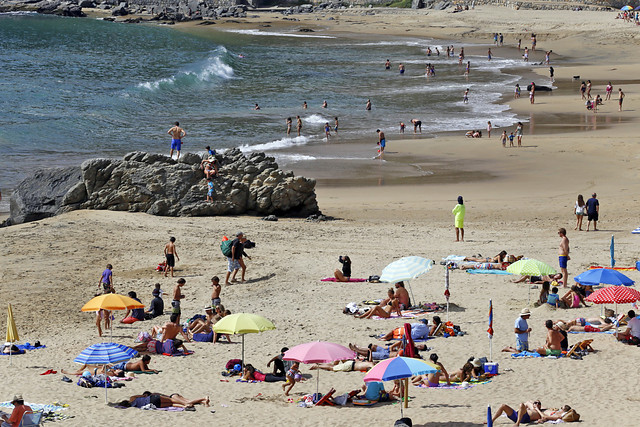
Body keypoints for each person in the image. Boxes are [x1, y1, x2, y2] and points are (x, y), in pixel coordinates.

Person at [118, 392, 209, 409]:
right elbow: (143, 395)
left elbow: (171, 406)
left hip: (154, 405)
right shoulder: (132, 398)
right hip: (152, 398)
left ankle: (202, 401)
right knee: (174, 400)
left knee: (172, 404)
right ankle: (203, 398)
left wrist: (183, 407)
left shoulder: (135, 406)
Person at [310, 359, 375, 372]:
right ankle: (317, 366)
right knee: (332, 368)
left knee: (333, 365)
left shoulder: (369, 362)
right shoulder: (372, 366)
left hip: (351, 362)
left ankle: (319, 364)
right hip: (350, 366)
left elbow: (370, 359)